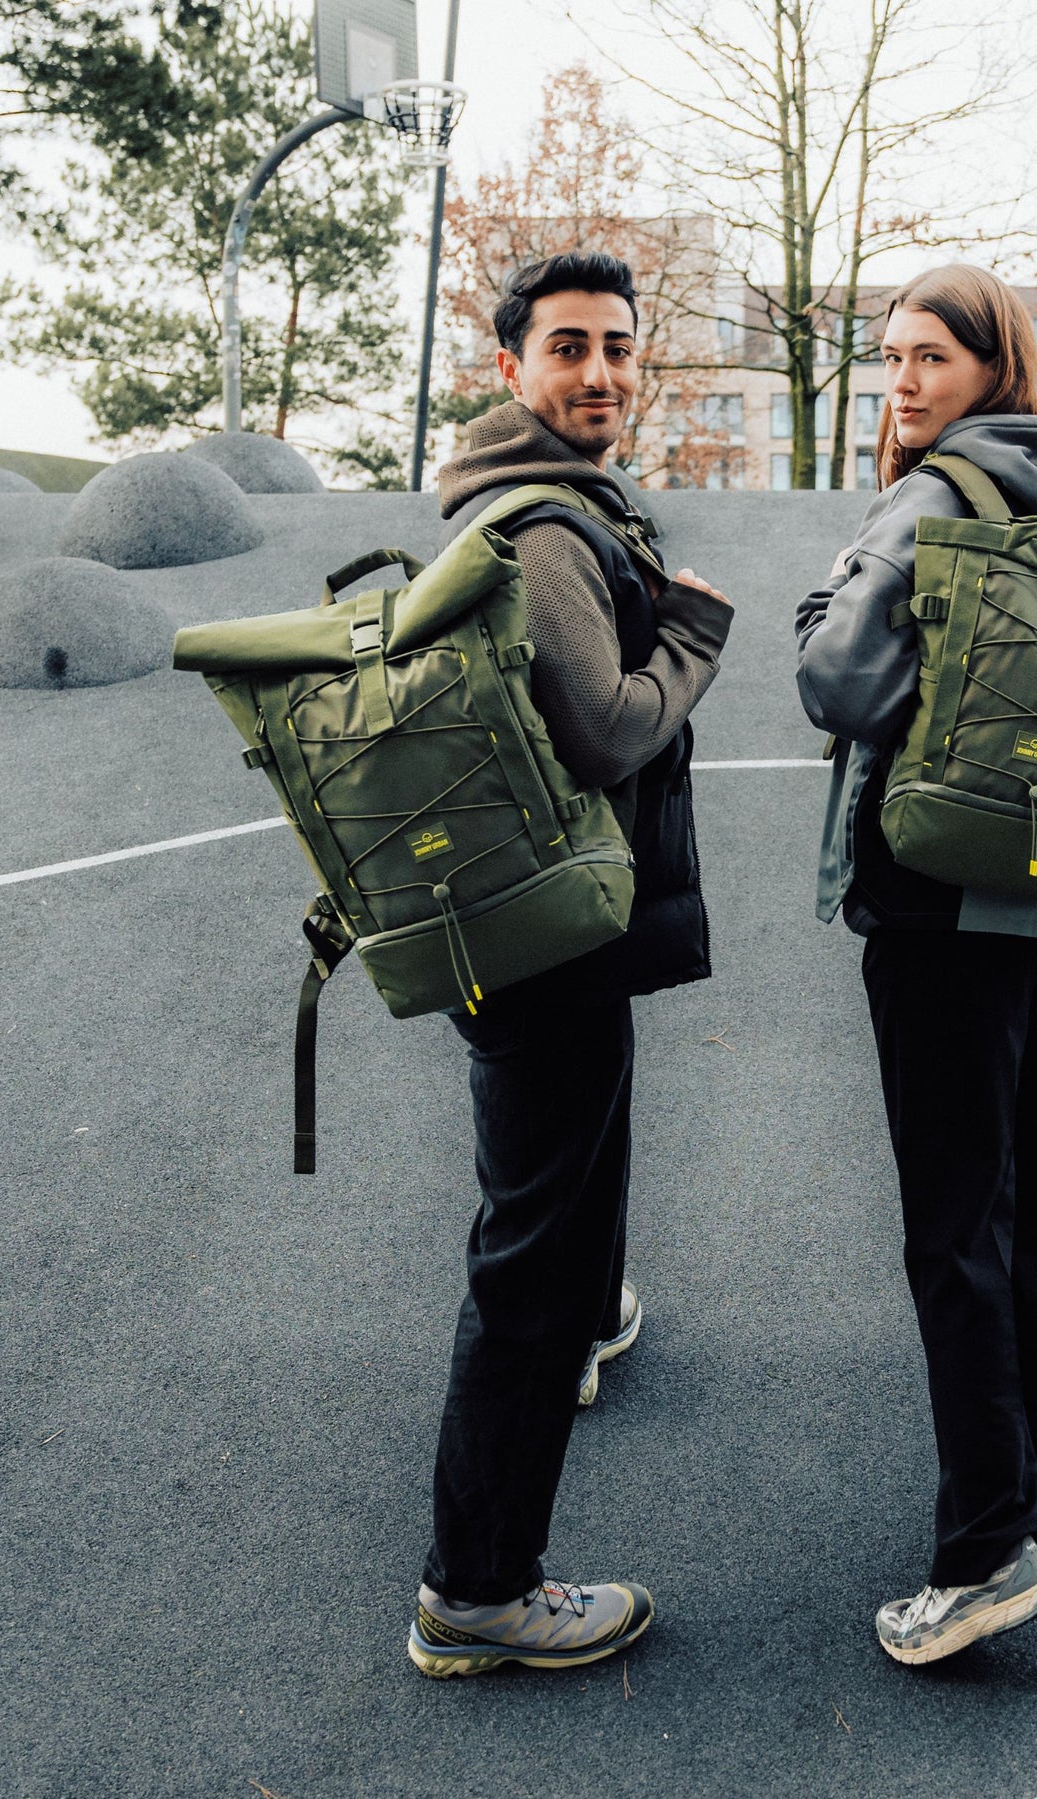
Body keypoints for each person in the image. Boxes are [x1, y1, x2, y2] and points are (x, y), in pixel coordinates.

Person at [408, 251, 734, 1678]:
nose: (599, 372)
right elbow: (607, 731)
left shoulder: (543, 501)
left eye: (617, 347)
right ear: (512, 369)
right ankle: (477, 1591)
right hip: (540, 936)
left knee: (558, 1203)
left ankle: (592, 1311)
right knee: (524, 1258)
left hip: (533, 924)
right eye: (568, 349)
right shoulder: (542, 529)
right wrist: (696, 638)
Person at [795, 264, 1037, 1665]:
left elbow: (840, 683)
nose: (906, 382)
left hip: (941, 899)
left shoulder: (929, 497)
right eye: (893, 358)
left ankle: (986, 1549)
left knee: (956, 1226)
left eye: (933, 356)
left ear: (996, 365)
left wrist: (830, 598)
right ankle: (1031, 1501)